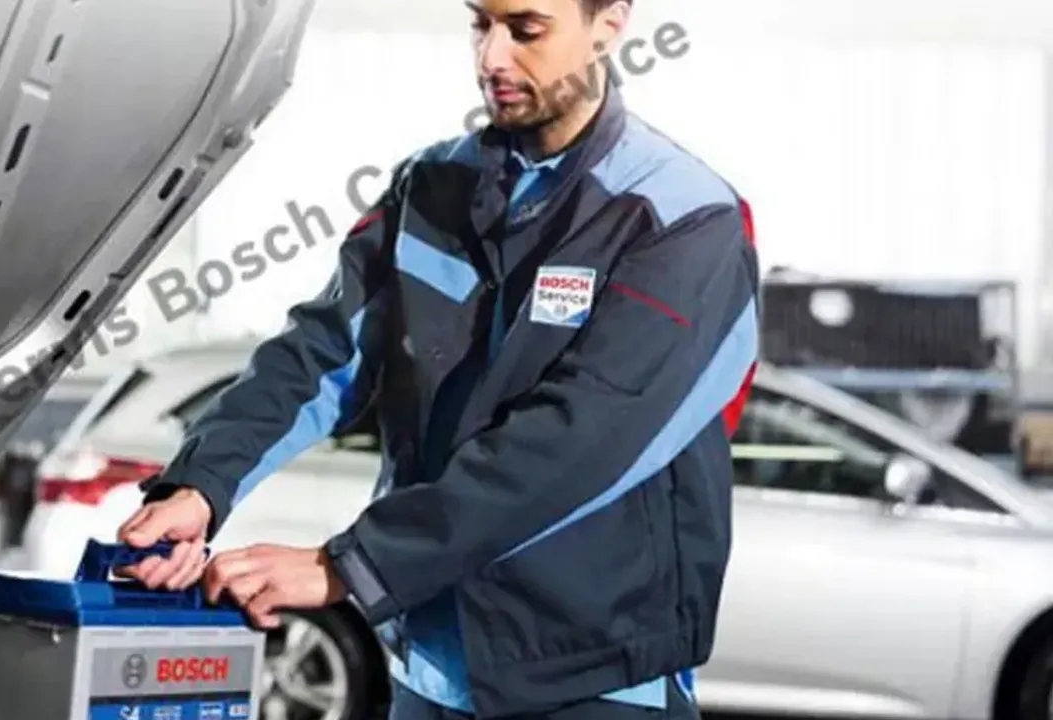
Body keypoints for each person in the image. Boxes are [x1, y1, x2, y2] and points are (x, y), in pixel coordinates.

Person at [115, 0, 759, 717]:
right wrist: (202, 485)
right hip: (429, 670)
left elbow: (582, 440)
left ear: (609, 24)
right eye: (480, 23)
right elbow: (321, 353)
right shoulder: (429, 188)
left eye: (526, 29)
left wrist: (350, 565)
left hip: (593, 675)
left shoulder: (683, 218)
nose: (491, 58)